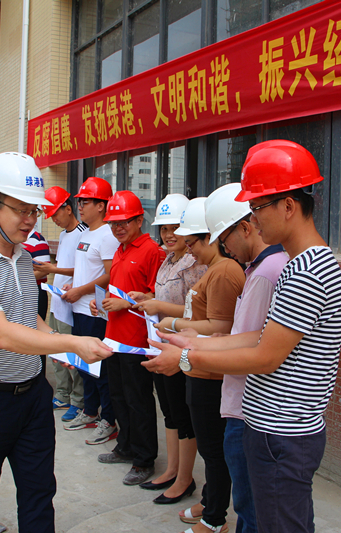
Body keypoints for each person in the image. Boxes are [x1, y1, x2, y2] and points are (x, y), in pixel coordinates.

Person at [144, 140, 341, 533]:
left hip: (282, 432)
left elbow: (265, 356)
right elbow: (260, 335)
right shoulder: (297, 263)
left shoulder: (307, 271)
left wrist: (187, 358)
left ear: (287, 206)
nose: (252, 218)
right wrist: (198, 343)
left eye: (257, 207)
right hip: (275, 430)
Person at [0, 152, 113, 533]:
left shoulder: (22, 258)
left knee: (39, 494)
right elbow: (2, 333)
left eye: (33, 211)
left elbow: (26, 316)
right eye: (20, 210)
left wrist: (55, 339)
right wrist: (72, 343)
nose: (29, 220)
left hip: (33, 397)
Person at [151, 197, 244, 533]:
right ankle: (210, 501)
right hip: (199, 367)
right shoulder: (216, 270)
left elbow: (221, 326)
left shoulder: (224, 272)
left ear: (212, 237)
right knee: (209, 447)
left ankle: (214, 518)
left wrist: (174, 325)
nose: (190, 251)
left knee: (214, 450)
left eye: (193, 243)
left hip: (211, 372)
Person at [204, 183, 289, 533]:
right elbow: (248, 336)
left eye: (224, 240)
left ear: (245, 227)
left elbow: (255, 350)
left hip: (247, 409)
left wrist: (190, 355)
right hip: (245, 406)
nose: (225, 249)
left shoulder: (267, 273)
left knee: (251, 509)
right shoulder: (259, 268)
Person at [130, 193, 205, 504]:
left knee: (183, 416)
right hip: (162, 345)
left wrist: (159, 306)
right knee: (170, 413)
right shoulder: (168, 259)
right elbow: (165, 297)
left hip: (183, 347)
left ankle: (185, 479)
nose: (169, 234)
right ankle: (172, 470)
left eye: (175, 228)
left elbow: (199, 312)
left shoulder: (195, 263)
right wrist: (146, 298)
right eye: (164, 228)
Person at [89, 191, 165, 486]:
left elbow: (158, 295)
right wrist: (101, 302)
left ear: (139, 220)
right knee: (119, 396)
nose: (118, 228)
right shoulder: (120, 250)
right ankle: (126, 446)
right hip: (114, 338)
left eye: (124, 222)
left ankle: (144, 459)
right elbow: (118, 289)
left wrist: (127, 304)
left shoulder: (151, 251)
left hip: (136, 341)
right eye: (113, 223)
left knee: (138, 401)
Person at [60, 177, 119, 443]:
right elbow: (87, 270)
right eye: (80, 201)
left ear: (101, 205)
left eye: (85, 201)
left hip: (96, 312)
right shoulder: (85, 233)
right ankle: (90, 411)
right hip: (79, 309)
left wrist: (81, 291)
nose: (80, 206)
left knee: (100, 370)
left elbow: (110, 275)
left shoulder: (107, 235)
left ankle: (109, 419)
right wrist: (74, 285)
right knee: (84, 366)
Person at [34, 186, 87, 422]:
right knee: (55, 349)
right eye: (50, 215)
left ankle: (78, 399)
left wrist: (53, 269)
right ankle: (63, 394)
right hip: (57, 300)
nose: (54, 219)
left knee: (71, 352)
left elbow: (84, 269)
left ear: (68, 208)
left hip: (73, 303)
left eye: (55, 213)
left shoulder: (83, 233)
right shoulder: (65, 235)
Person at [24, 229, 51, 319]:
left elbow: (44, 270)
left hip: (34, 291)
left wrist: (19, 278)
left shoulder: (38, 240)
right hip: (19, 291)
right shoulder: (14, 239)